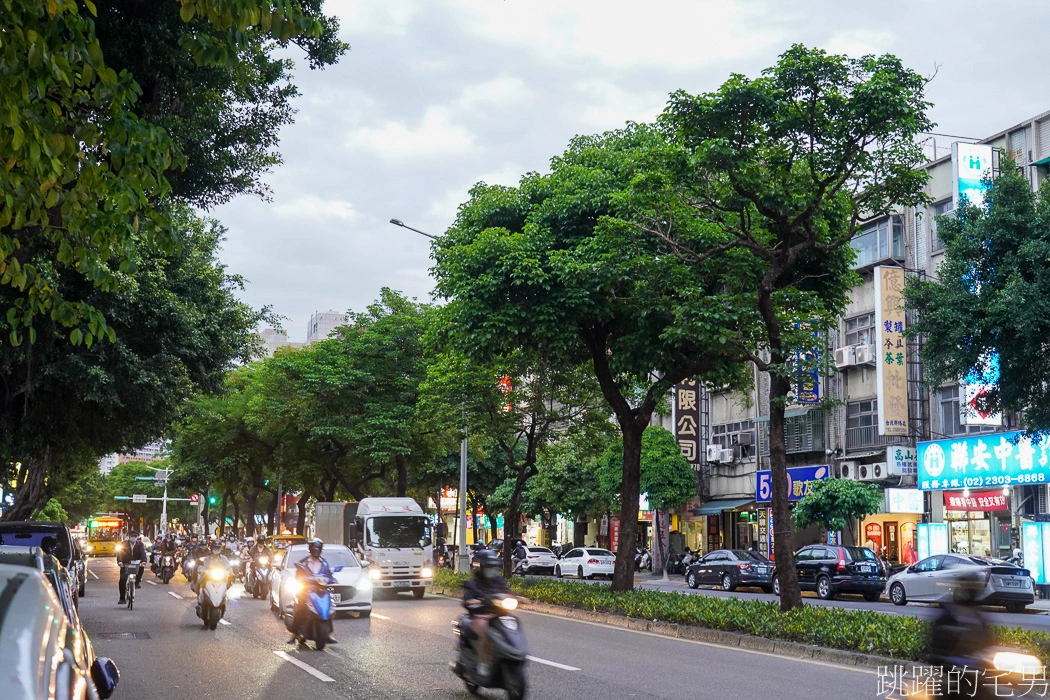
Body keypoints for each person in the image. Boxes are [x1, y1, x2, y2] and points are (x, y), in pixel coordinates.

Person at [463, 549, 512, 678]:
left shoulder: (498, 580)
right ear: (482, 567)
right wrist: (473, 601)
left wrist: (519, 598)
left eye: (493, 566)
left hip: (497, 615)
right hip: (480, 616)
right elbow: (467, 600)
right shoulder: (474, 583)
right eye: (489, 566)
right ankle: (483, 663)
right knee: (486, 632)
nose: (492, 569)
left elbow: (507, 592)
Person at [287, 538, 336, 646]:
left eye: (318, 547)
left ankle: (328, 633)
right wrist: (301, 579)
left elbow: (329, 574)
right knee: (300, 608)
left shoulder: (324, 563)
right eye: (314, 547)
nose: (316, 549)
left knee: (329, 608)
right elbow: (298, 574)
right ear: (310, 548)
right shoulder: (303, 562)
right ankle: (294, 633)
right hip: (306, 590)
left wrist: (333, 579)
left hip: (321, 591)